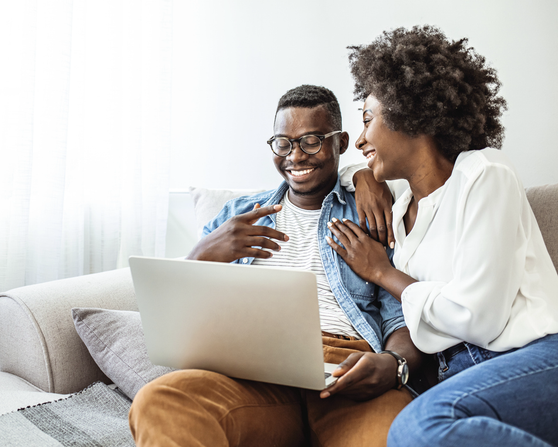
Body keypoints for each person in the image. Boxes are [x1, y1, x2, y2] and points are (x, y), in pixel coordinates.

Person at [129, 85, 426, 447]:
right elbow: (178, 317)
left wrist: (394, 364)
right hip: (252, 373)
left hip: (346, 371)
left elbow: (403, 314)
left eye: (311, 141)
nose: (295, 156)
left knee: (391, 435)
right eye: (283, 143)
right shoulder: (237, 216)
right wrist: (204, 251)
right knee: (160, 401)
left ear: (342, 142)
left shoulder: (374, 212)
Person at [327, 25, 558, 446]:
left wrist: (383, 273)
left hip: (533, 355)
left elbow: (479, 318)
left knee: (417, 428)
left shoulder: (485, 174)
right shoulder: (399, 208)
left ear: (407, 113)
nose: (359, 139)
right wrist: (361, 175)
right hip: (457, 374)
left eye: (367, 119)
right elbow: (336, 171)